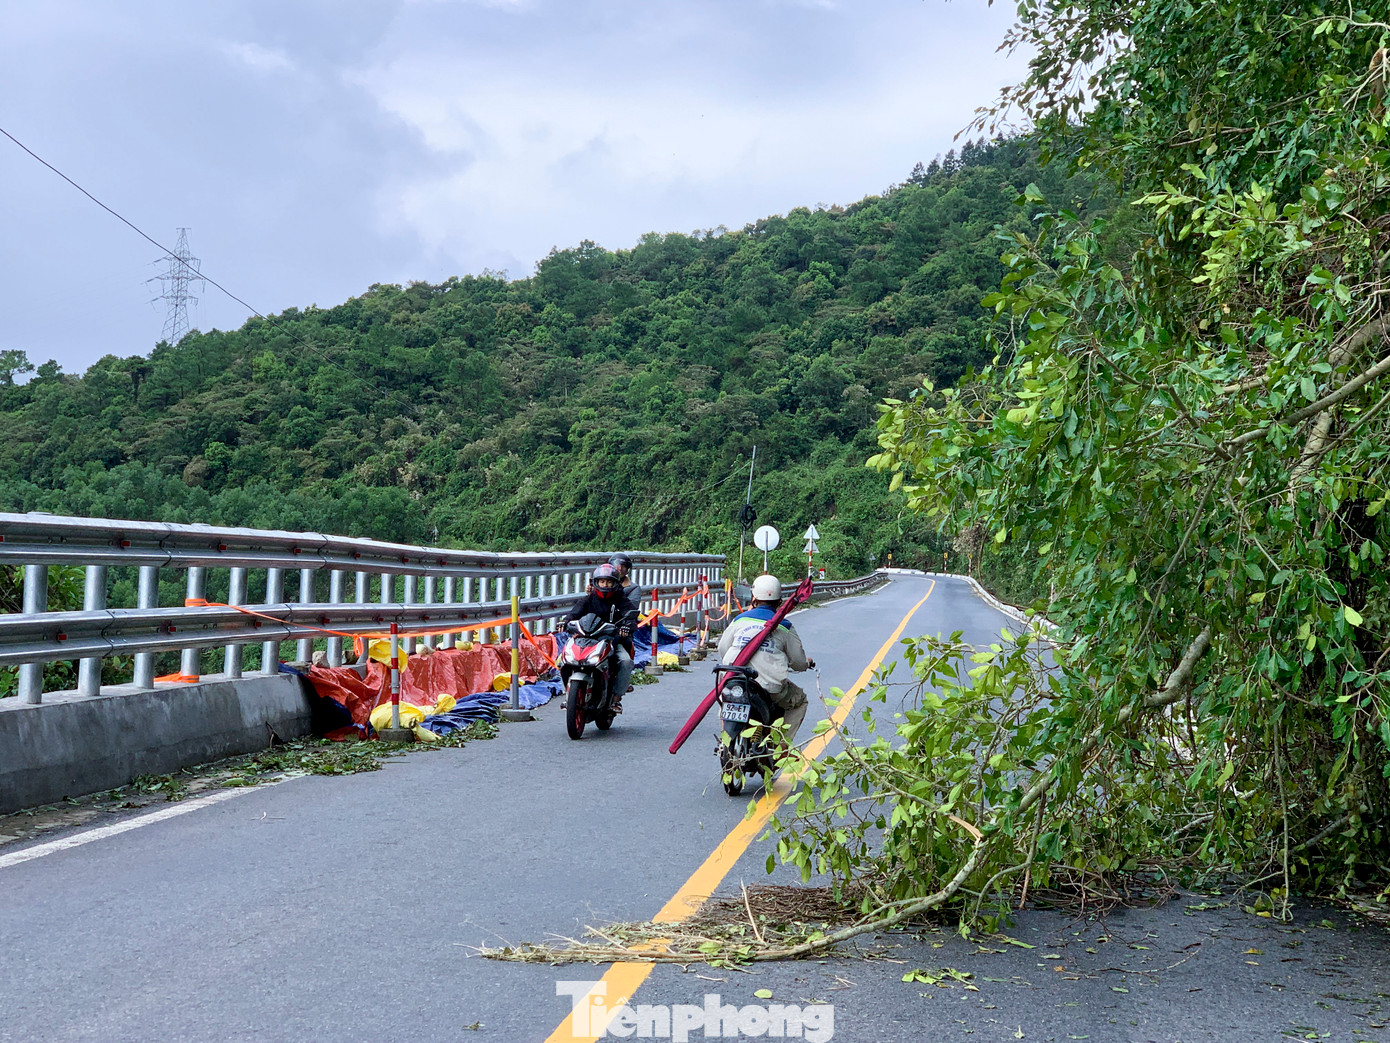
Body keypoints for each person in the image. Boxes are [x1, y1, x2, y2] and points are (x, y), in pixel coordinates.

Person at [716, 574, 815, 746]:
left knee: (727, 700)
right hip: (769, 687)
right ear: (779, 601)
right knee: (799, 701)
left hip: (734, 679)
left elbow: (723, 649)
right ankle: (780, 749)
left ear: (753, 597)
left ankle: (725, 743)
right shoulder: (784, 626)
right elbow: (798, 663)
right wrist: (806, 663)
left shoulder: (740, 620)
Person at [563, 563, 639, 712]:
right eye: (602, 581)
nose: (605, 585)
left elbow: (631, 616)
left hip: (612, 640)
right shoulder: (588, 599)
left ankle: (616, 698)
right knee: (563, 660)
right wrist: (564, 622)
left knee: (625, 661)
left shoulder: (621, 599)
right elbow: (574, 613)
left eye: (609, 582)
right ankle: (568, 695)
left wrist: (627, 626)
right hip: (587, 640)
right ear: (595, 583)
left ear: (615, 583)